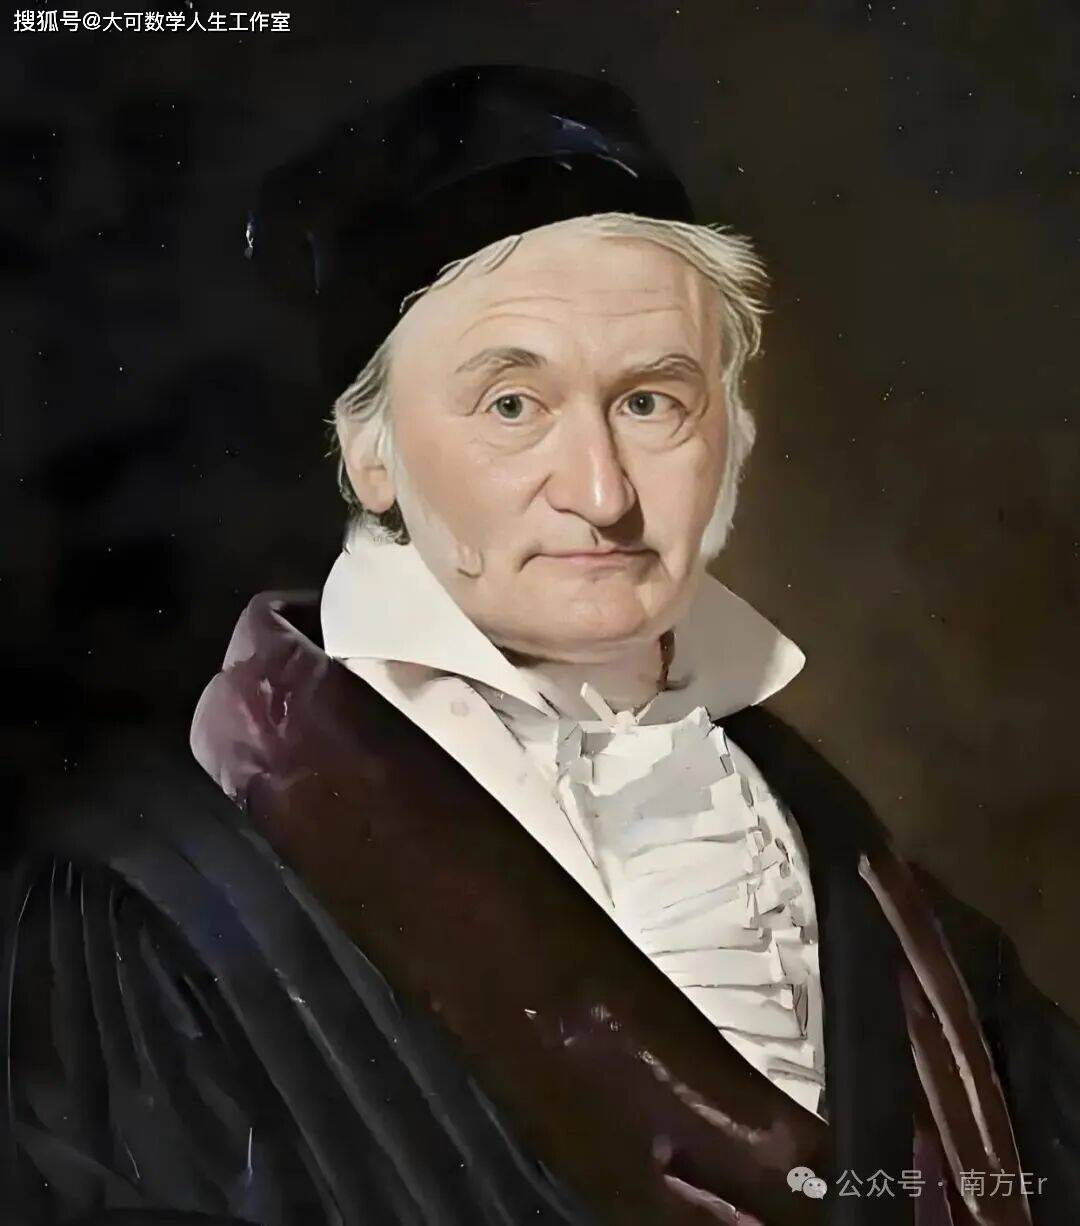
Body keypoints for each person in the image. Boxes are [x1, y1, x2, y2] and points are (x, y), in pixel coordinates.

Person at [5, 66, 1078, 1226]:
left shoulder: (892, 908)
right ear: (371, 456)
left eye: (651, 401)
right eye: (512, 405)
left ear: (733, 432)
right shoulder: (153, 915)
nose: (603, 492)